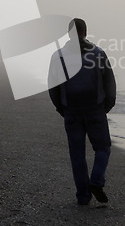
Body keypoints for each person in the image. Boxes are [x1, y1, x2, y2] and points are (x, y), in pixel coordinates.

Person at [48, 18, 116, 206]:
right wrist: (107, 106)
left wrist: (61, 108)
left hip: (71, 111)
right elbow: (109, 83)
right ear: (86, 32)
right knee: (103, 148)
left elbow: (52, 86)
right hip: (95, 110)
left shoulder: (58, 56)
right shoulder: (98, 53)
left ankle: (83, 196)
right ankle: (96, 181)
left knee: (77, 154)